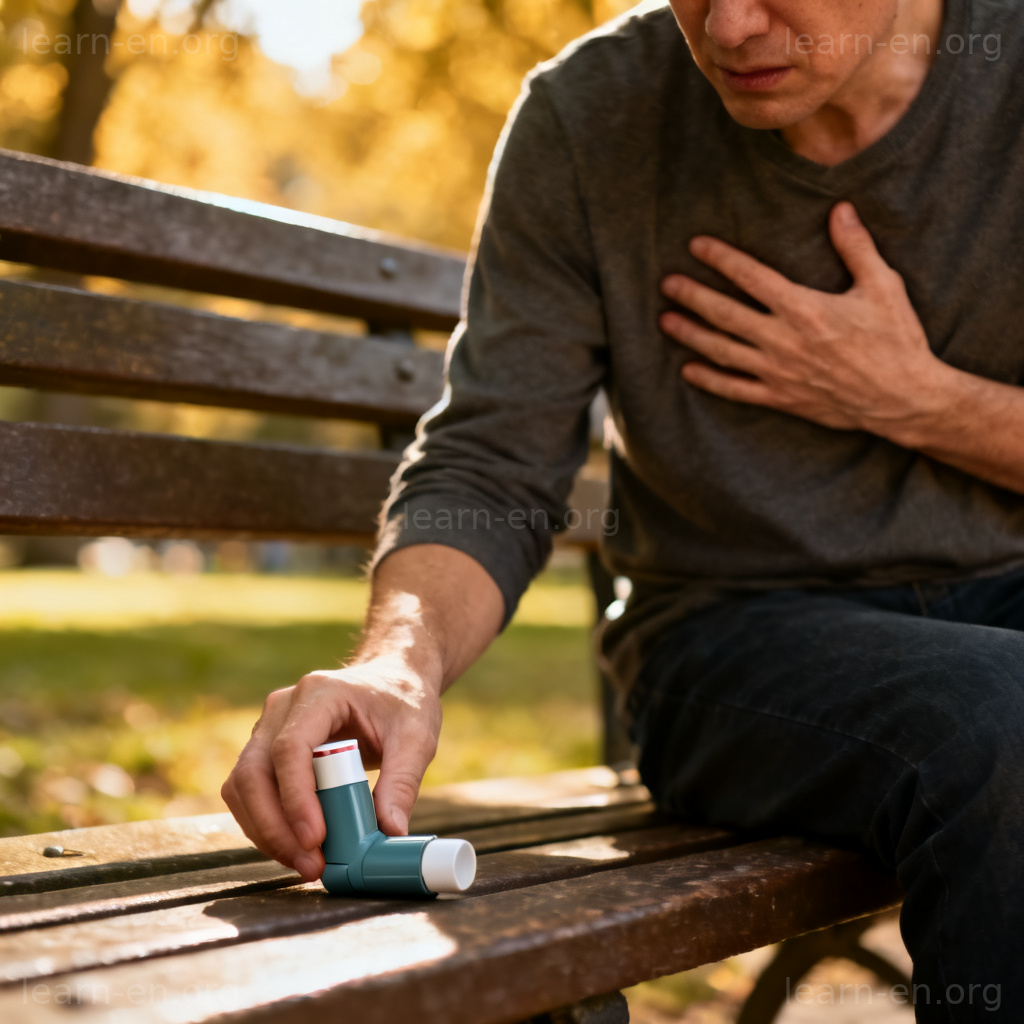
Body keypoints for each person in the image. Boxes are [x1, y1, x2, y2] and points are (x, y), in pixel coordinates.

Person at [223, 0, 1024, 1018]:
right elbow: (492, 462)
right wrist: (397, 660)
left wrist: (920, 401)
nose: (728, 25)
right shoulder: (589, 114)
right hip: (741, 643)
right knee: (1004, 719)